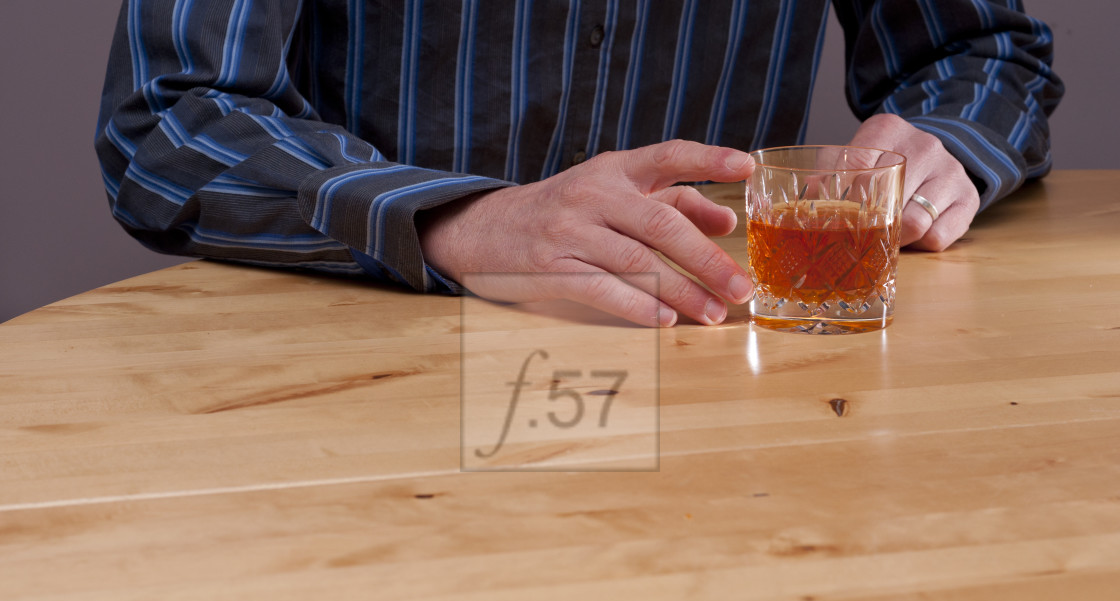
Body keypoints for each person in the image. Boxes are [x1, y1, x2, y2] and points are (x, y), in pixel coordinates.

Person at [96, 1, 1062, 328]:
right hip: (369, 357)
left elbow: (975, 50)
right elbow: (170, 119)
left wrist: (946, 138)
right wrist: (461, 219)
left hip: (706, 357)